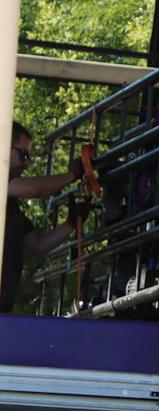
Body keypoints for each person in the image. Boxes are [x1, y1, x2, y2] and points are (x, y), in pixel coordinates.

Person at [3, 123, 89, 314]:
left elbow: (38, 244)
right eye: (23, 155)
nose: (27, 163)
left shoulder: (10, 206)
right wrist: (71, 175)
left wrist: (71, 222)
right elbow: (37, 190)